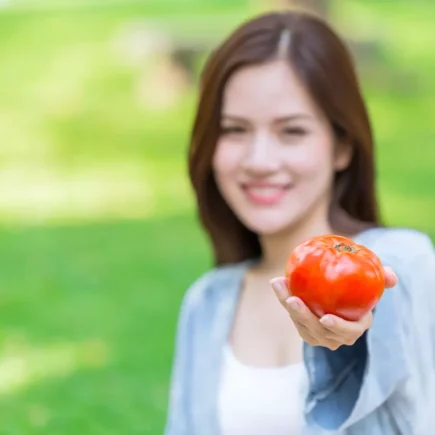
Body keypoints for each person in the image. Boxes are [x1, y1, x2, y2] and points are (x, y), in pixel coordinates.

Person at [164, 9, 435, 435]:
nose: (259, 161)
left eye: (292, 131)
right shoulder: (207, 303)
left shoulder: (401, 263)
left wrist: (349, 339)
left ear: (342, 147)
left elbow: (397, 368)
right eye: (234, 130)